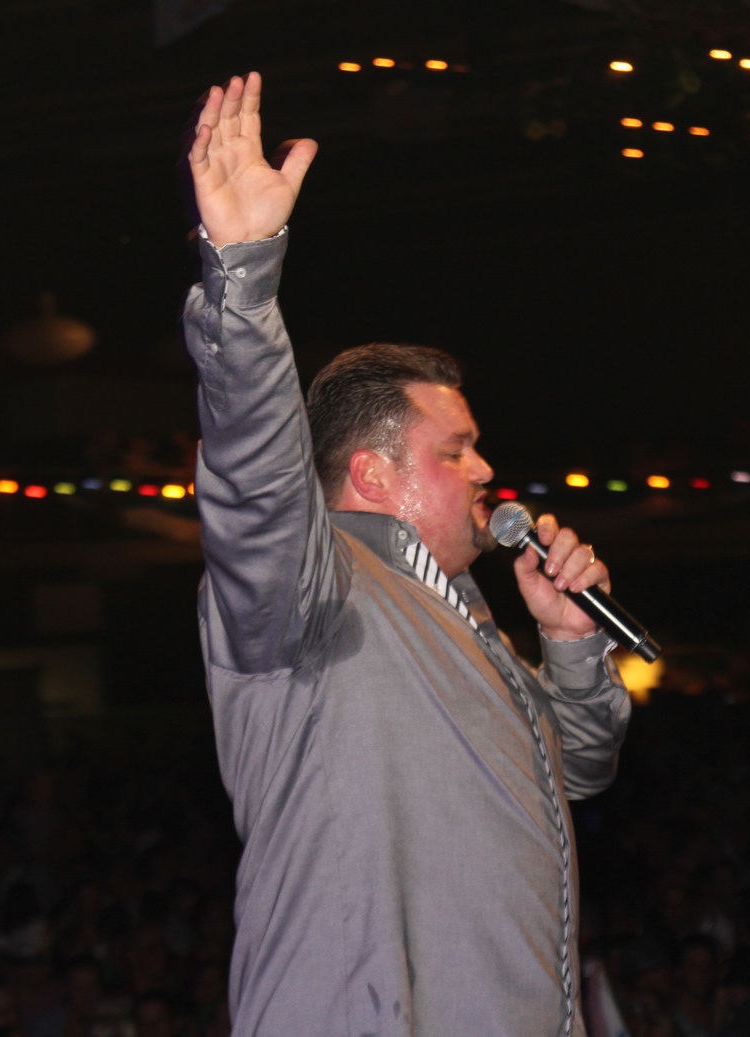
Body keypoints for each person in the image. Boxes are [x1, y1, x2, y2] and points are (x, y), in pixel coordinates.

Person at [182, 72, 631, 1035]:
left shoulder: (465, 623)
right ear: (373, 475)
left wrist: (570, 645)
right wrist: (242, 274)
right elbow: (256, 477)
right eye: (455, 449)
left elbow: (577, 770)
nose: (487, 468)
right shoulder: (315, 594)